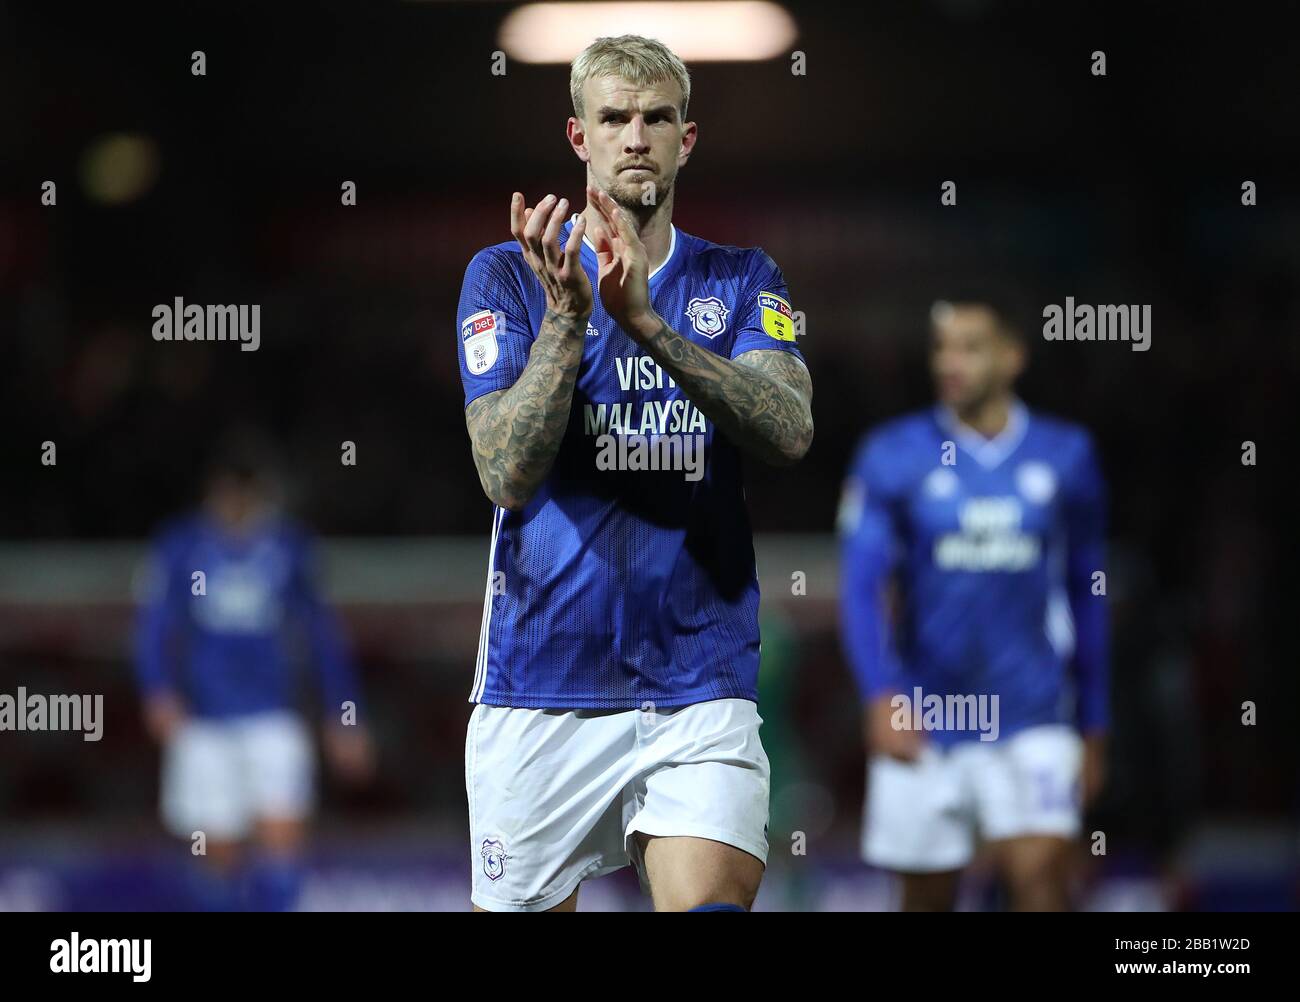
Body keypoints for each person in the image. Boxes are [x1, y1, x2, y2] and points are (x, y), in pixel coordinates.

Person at [455, 35, 813, 912]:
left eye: (658, 118)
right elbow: (503, 470)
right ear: (580, 136)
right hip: (540, 688)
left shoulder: (740, 279)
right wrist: (570, 322)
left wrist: (650, 325)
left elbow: (790, 429)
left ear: (687, 138)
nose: (637, 136)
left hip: (699, 686)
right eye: (615, 117)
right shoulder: (506, 276)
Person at [838, 297, 1108, 910]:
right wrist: (880, 694)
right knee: (925, 900)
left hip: (1034, 715)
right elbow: (861, 587)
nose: (949, 362)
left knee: (1040, 886)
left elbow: (1087, 594)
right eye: (940, 348)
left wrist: (1094, 724)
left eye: (969, 347)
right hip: (925, 718)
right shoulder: (893, 453)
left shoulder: (1066, 456)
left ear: (1013, 357)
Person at [133, 435, 375, 910]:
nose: (238, 504)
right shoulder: (181, 547)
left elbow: (323, 636)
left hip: (273, 716)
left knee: (282, 839)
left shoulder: (289, 547)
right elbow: (154, 627)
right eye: (230, 491)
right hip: (204, 720)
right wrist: (157, 690)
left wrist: (344, 715)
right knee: (215, 852)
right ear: (213, 491)